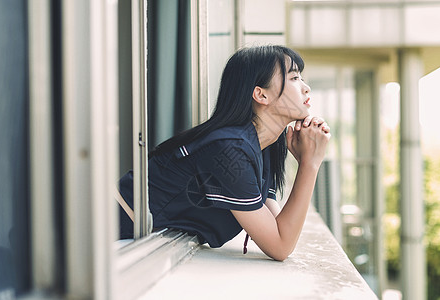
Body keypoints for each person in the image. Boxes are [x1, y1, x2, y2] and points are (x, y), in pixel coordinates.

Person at [118, 45, 330, 261]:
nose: (306, 88)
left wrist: (307, 159)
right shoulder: (231, 149)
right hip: (115, 232)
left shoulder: (263, 144)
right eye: (294, 78)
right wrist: (309, 164)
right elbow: (280, 246)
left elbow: (278, 227)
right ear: (260, 94)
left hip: (142, 242)